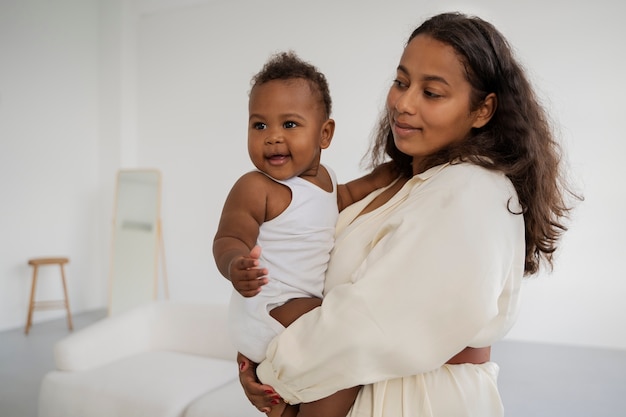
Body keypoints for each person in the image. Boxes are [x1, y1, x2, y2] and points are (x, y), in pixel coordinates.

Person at [236, 12, 581, 417]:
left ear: (483, 109)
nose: (403, 102)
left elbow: (369, 325)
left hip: (417, 402)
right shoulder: (395, 182)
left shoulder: (472, 190)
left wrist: (270, 371)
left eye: (431, 93)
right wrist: (256, 349)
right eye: (401, 82)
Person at [213, 51, 394, 417]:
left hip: (286, 313)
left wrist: (389, 174)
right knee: (346, 336)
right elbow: (228, 237)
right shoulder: (255, 188)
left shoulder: (324, 181)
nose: (272, 138)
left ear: (324, 133)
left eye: (290, 125)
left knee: (332, 348)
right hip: (268, 309)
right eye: (259, 125)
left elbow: (344, 198)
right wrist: (236, 265)